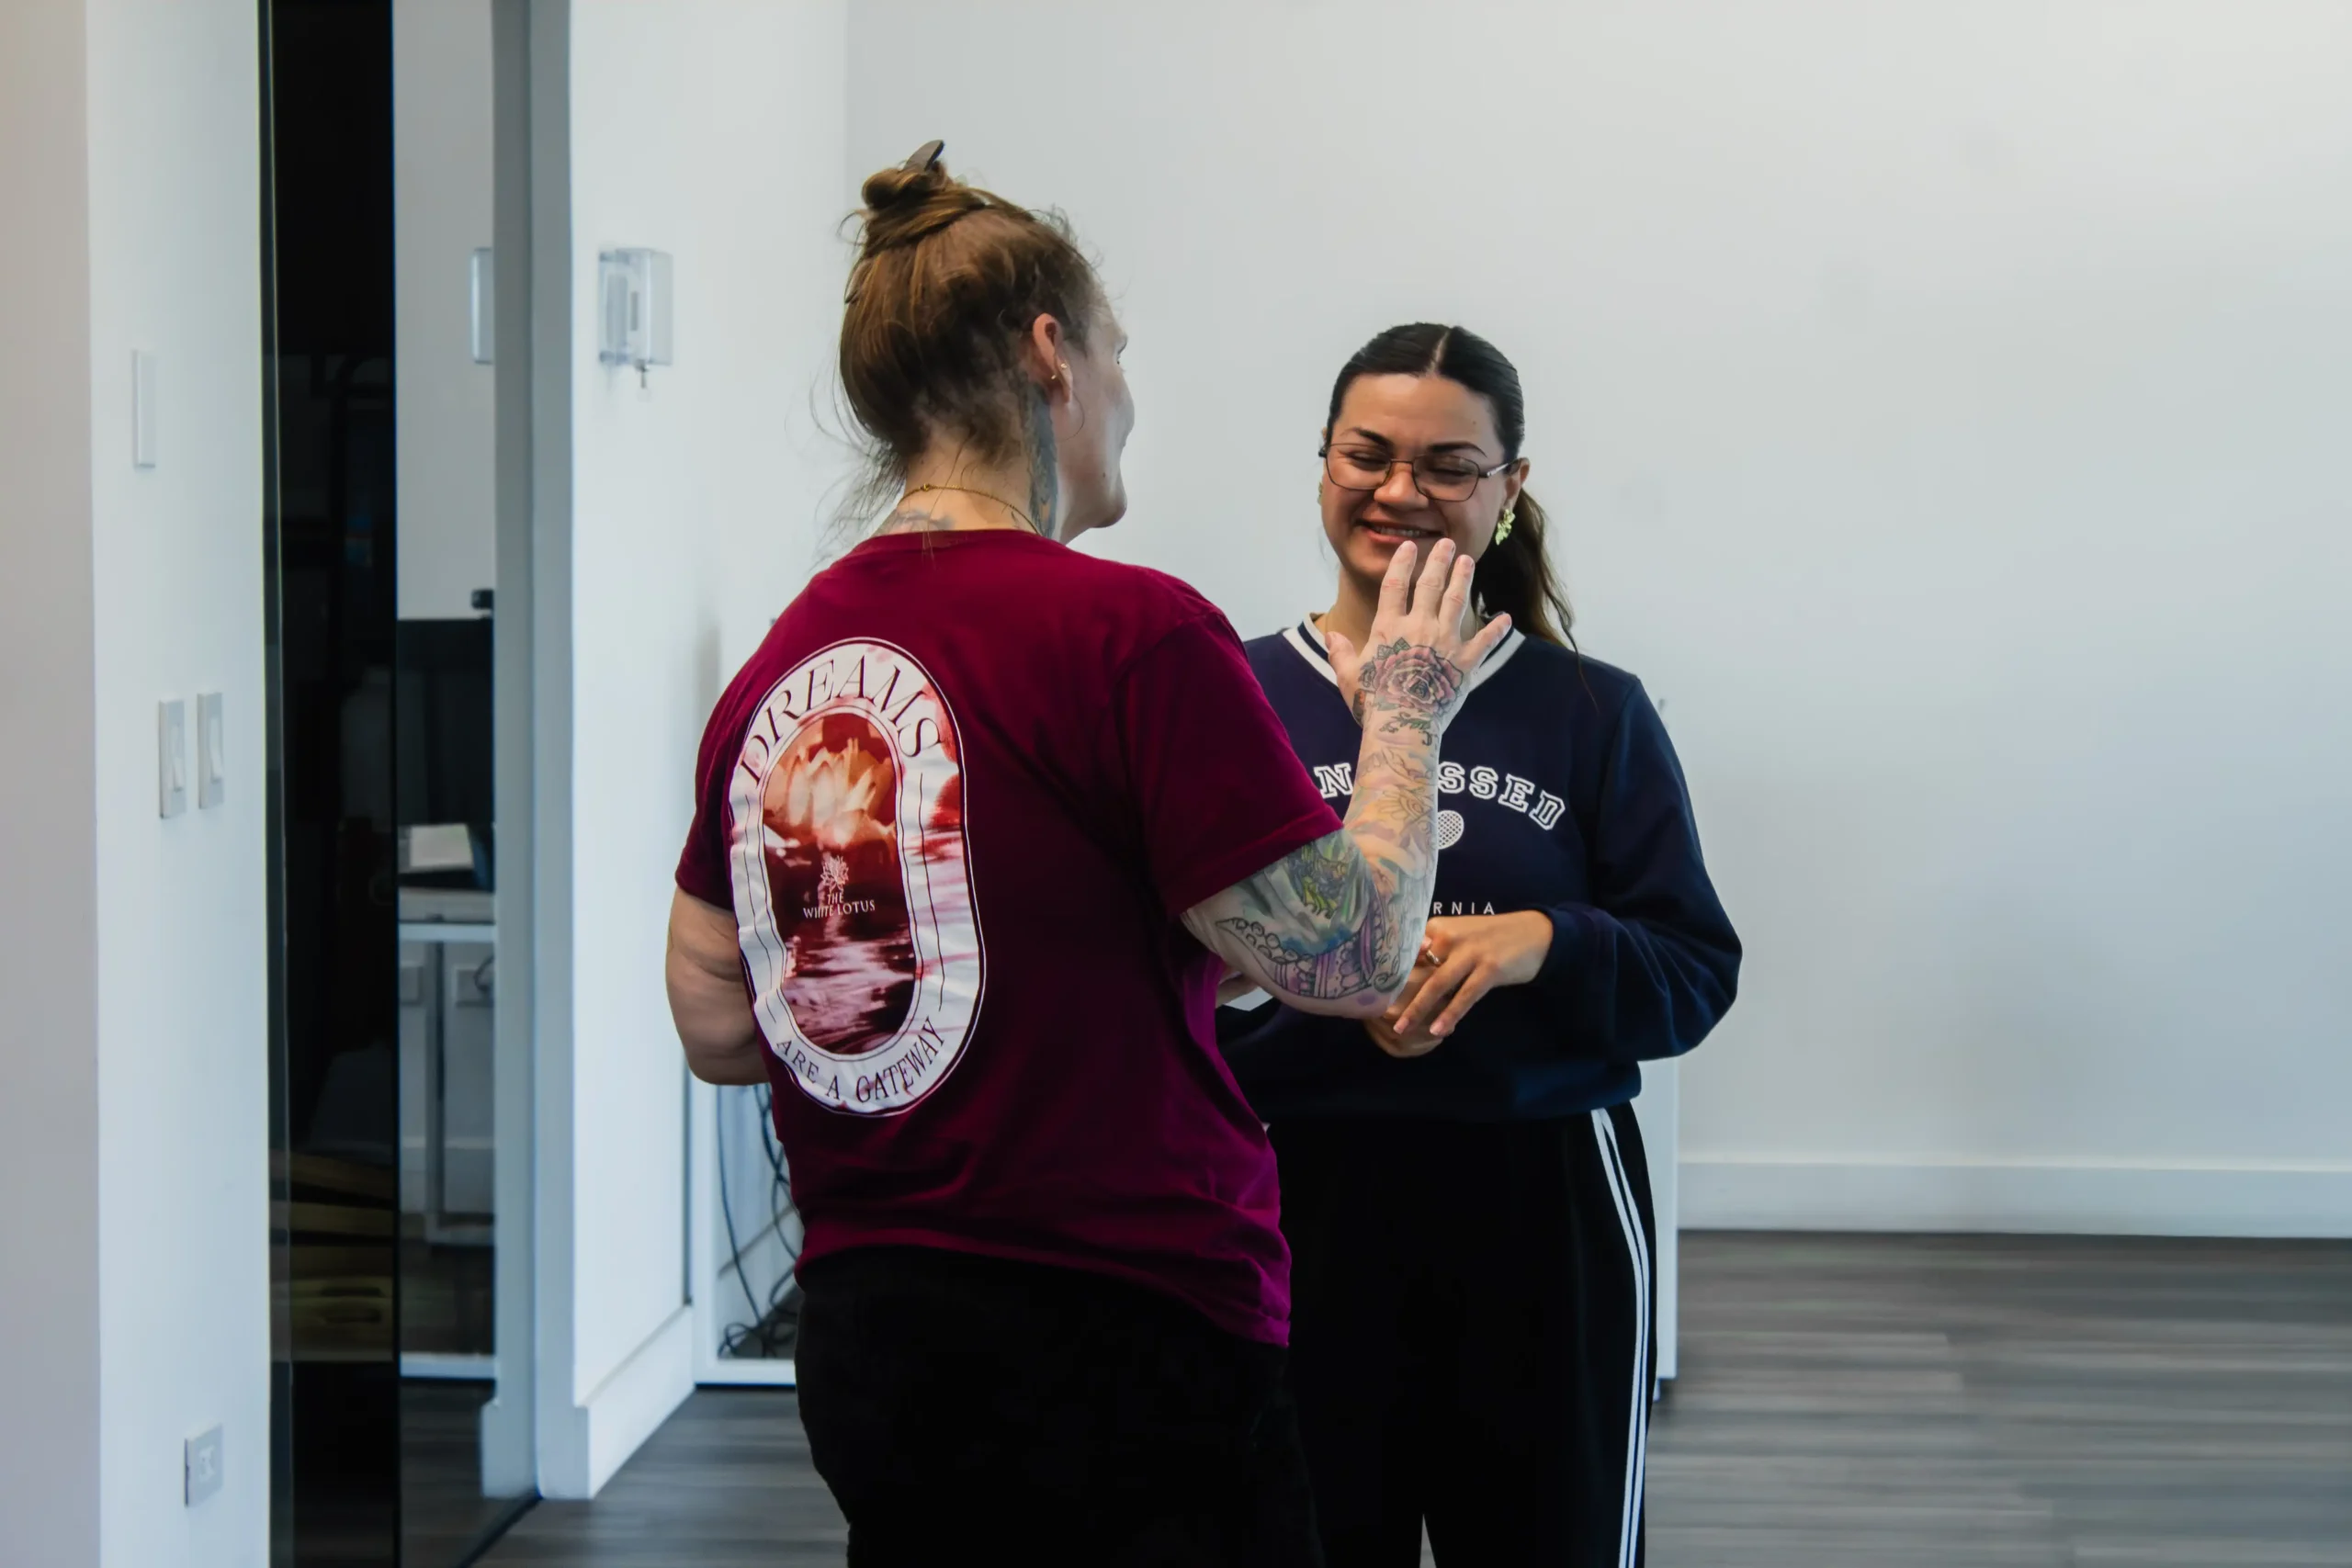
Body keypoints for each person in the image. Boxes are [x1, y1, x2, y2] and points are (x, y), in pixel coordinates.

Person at [662, 149, 1510, 1566]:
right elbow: (1357, 956)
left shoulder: (784, 660)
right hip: (1132, 1338)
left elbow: (717, 1020)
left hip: (874, 1341)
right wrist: (1407, 711)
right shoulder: (1133, 634)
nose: (1126, 394)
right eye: (1119, 353)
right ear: (1050, 354)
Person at [1220, 323, 1742, 1568]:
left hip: (1541, 1208)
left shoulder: (1591, 709)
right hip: (1294, 1201)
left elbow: (1692, 973)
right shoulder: (1233, 696)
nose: (1400, 491)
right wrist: (1324, 989)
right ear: (1323, 462)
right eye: (1368, 454)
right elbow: (1159, 983)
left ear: (1510, 489)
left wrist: (1540, 941)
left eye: (1449, 464)